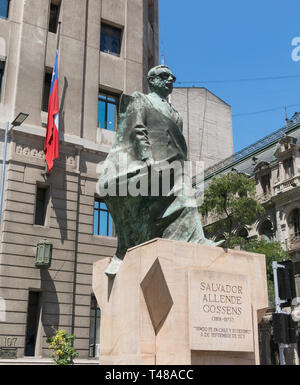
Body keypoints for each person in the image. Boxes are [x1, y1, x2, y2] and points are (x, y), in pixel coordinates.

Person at [97, 65, 223, 275]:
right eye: (164, 76)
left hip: (174, 166)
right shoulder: (142, 100)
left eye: (172, 77)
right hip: (151, 164)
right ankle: (129, 248)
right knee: (153, 206)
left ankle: (197, 240)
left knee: (187, 202)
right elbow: (137, 128)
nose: (170, 80)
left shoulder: (176, 114)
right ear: (151, 80)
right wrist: (146, 156)